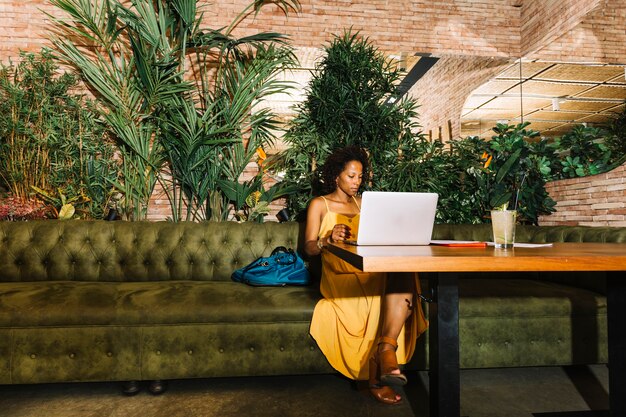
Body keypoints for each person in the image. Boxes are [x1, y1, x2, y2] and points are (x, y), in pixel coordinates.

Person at [305, 146, 428, 405]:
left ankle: (385, 349)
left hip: (371, 269)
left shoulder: (365, 204)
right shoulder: (320, 204)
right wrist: (326, 239)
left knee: (405, 269)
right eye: (351, 176)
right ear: (336, 176)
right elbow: (309, 248)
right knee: (392, 288)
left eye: (360, 177)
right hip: (341, 276)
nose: (356, 182)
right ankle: (377, 370)